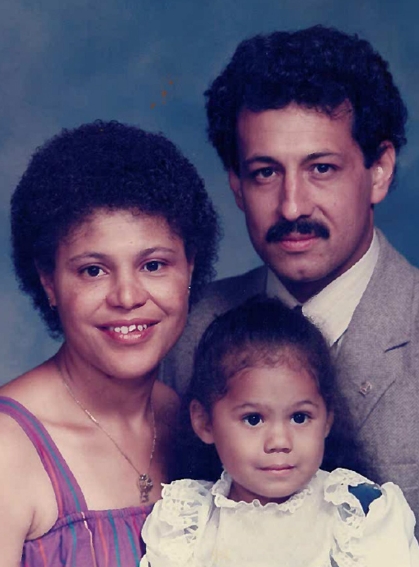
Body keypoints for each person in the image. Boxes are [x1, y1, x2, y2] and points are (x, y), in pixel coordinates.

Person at [161, 25, 419, 525]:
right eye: (265, 173)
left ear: (380, 169)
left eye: (321, 168)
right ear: (237, 185)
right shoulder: (187, 327)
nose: (292, 204)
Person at [0, 120, 219, 566]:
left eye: (154, 265)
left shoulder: (192, 421)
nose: (127, 296)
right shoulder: (8, 449)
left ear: (190, 269)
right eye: (93, 271)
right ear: (49, 283)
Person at [145, 298, 419, 566]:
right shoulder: (185, 525)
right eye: (253, 419)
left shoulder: (359, 515)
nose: (280, 441)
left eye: (300, 417)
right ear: (205, 422)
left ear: (327, 419)